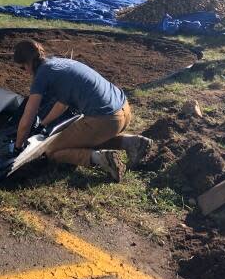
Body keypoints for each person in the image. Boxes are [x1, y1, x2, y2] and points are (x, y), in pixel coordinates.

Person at [12, 40, 152, 182]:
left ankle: (103, 159)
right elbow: (62, 104)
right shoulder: (58, 63)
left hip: (105, 120)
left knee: (50, 150)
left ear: (27, 63)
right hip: (123, 109)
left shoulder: (41, 76)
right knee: (81, 139)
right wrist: (43, 124)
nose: (25, 72)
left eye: (23, 68)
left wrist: (17, 148)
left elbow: (28, 117)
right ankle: (132, 143)